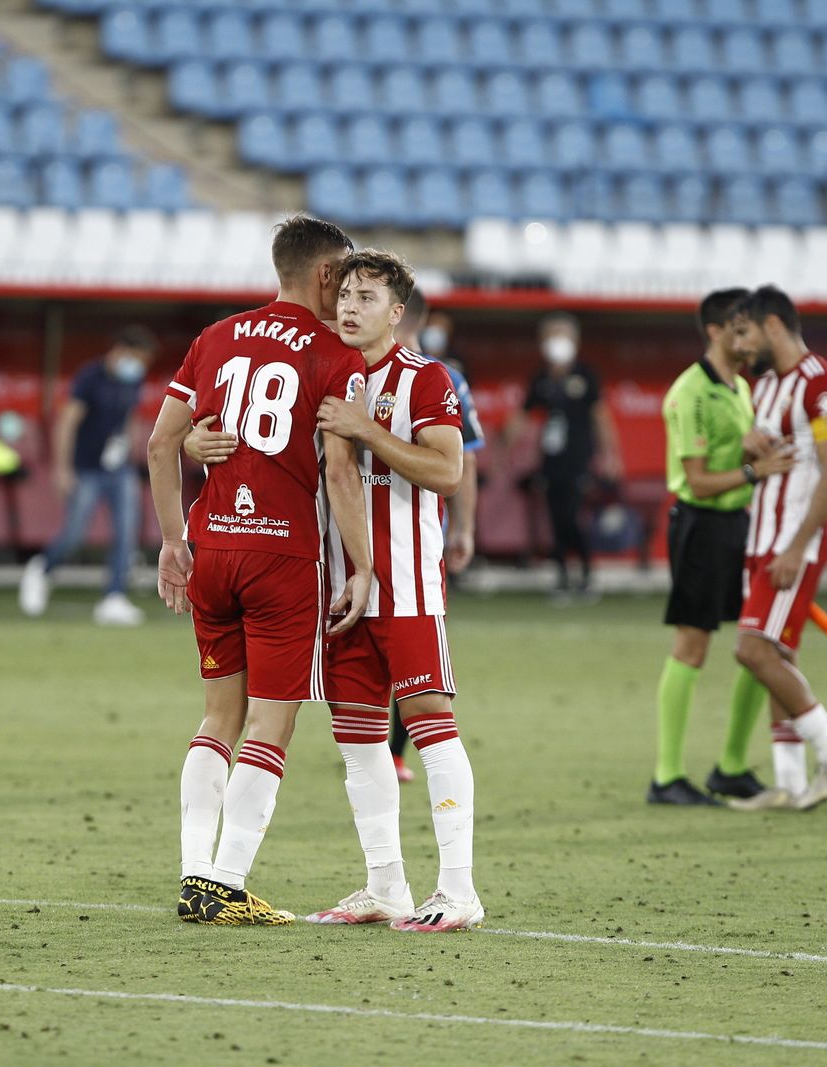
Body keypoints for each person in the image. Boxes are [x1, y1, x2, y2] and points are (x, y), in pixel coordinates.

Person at [148, 214, 372, 926]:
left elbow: (161, 447)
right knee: (271, 727)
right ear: (326, 275)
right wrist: (362, 566)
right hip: (281, 554)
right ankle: (224, 882)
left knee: (218, 717)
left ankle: (194, 872)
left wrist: (171, 541)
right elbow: (339, 473)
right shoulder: (336, 352)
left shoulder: (214, 338)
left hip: (210, 546)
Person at [307, 250, 481, 931]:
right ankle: (386, 885)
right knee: (357, 740)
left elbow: (446, 470)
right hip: (345, 589)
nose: (351, 306)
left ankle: (460, 890)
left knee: (433, 729)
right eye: (346, 294)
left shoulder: (424, 377)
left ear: (397, 311)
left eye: (368, 296)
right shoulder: (327, 377)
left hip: (406, 584)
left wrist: (367, 430)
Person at [650, 289, 799, 806]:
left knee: (759, 641)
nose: (751, 336)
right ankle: (666, 777)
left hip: (739, 524)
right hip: (701, 525)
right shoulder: (690, 391)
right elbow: (696, 480)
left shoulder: (740, 386)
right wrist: (756, 468)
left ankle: (731, 767)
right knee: (693, 645)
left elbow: (728, 457)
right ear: (716, 332)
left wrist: (750, 450)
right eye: (742, 326)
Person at [726, 286, 827, 811]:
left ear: (774, 326)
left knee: (752, 649)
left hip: (793, 543)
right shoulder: (764, 387)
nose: (742, 345)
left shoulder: (820, 383)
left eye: (748, 332)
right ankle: (789, 782)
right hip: (762, 538)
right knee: (776, 657)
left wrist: (798, 546)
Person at [387, 287, 484, 784]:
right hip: (364, 536)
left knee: (408, 648)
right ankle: (376, 748)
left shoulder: (442, 379)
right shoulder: (350, 372)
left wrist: (462, 526)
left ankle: (395, 751)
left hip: (414, 536)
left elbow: (459, 462)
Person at [19, 326, 158, 627]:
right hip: (86, 469)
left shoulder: (133, 380)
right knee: (74, 533)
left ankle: (114, 597)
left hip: (118, 469)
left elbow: (130, 417)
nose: (140, 366)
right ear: (120, 350)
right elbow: (66, 424)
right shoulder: (90, 377)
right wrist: (62, 469)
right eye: (137, 358)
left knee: (126, 532)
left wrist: (132, 450)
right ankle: (43, 569)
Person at [504, 314, 622, 600]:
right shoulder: (542, 378)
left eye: (561, 335)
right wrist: (503, 447)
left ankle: (585, 574)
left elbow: (600, 416)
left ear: (574, 340)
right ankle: (561, 577)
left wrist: (612, 455)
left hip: (579, 459)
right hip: (550, 460)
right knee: (555, 520)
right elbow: (522, 415)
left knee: (572, 517)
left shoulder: (585, 375)